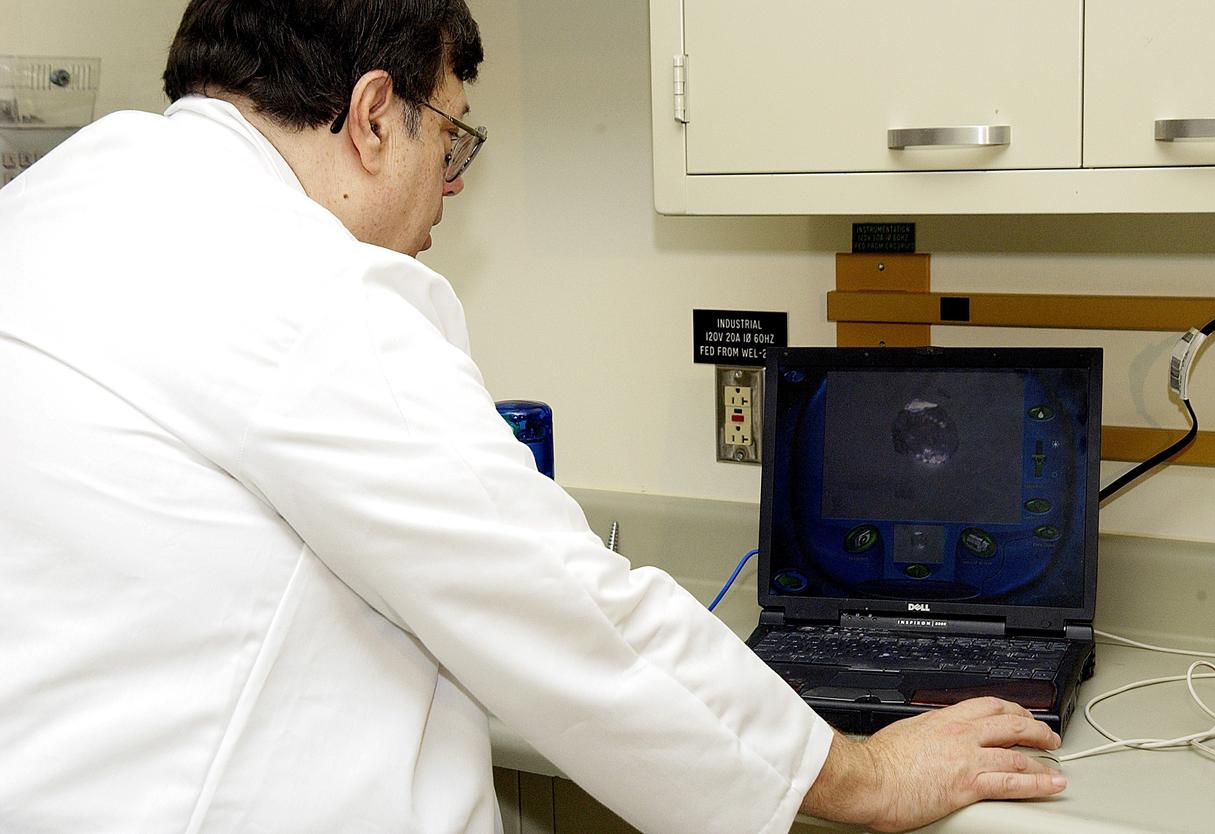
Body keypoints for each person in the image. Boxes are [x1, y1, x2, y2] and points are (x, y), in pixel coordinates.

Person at [0, 1, 1066, 831]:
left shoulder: (55, 209)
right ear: (375, 116)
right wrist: (868, 773)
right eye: (450, 140)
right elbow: (566, 613)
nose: (451, 188)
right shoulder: (299, 290)